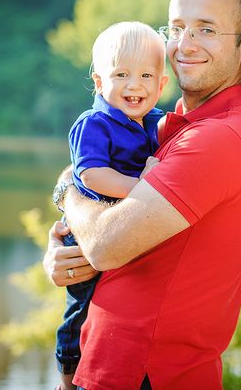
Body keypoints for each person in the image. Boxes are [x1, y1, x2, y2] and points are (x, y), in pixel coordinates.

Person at [43, 0, 241, 390]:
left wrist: (68, 193)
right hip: (115, 364)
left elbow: (104, 246)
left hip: (148, 373)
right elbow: (100, 204)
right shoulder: (170, 125)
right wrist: (68, 246)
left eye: (206, 30)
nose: (186, 44)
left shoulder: (218, 137)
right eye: (177, 28)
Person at [53, 21, 169, 389]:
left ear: (162, 84)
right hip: (87, 229)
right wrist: (143, 187)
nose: (134, 85)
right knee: (82, 307)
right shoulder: (95, 123)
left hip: (121, 228)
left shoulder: (157, 122)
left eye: (146, 75)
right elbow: (91, 176)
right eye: (121, 74)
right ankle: (68, 372)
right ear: (100, 82)